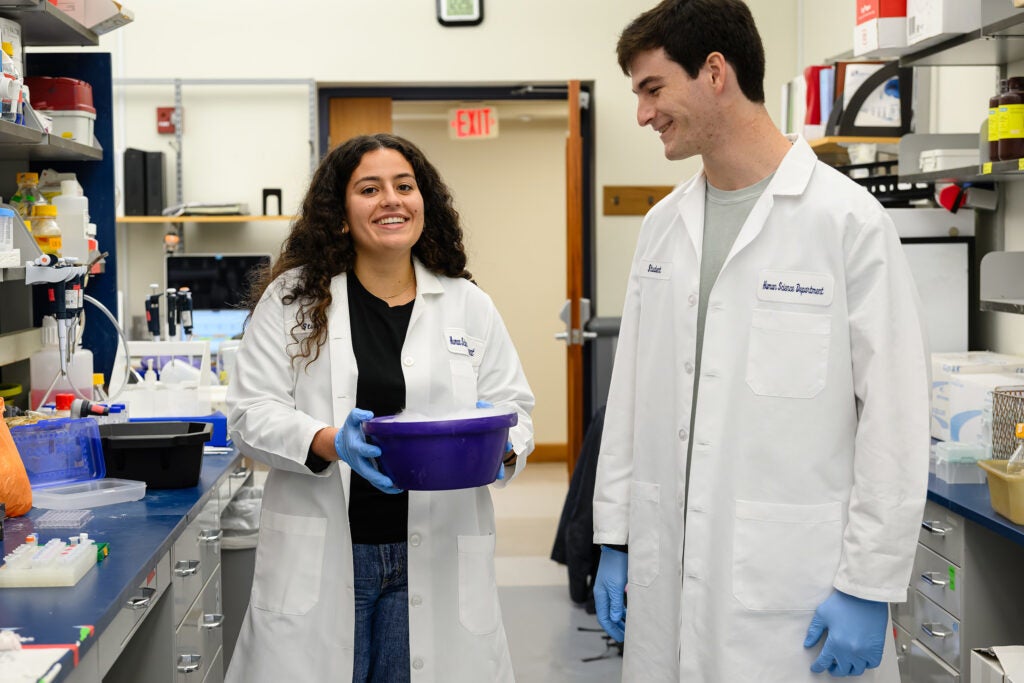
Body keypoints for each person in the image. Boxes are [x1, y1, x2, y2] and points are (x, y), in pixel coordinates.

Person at [591, 1, 930, 681]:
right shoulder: (662, 229)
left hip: (792, 588)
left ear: (715, 72)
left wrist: (868, 582)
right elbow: (630, 393)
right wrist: (615, 536)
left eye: (653, 88)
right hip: (669, 574)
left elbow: (895, 418)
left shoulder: (846, 222)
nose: (643, 113)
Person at [224, 133, 535, 683]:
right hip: (327, 551)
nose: (392, 199)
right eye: (370, 189)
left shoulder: (467, 304)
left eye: (404, 186)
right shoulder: (294, 300)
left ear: (424, 204)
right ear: (340, 214)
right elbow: (250, 413)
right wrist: (327, 441)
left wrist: (502, 445)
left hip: (435, 551)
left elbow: (515, 406)